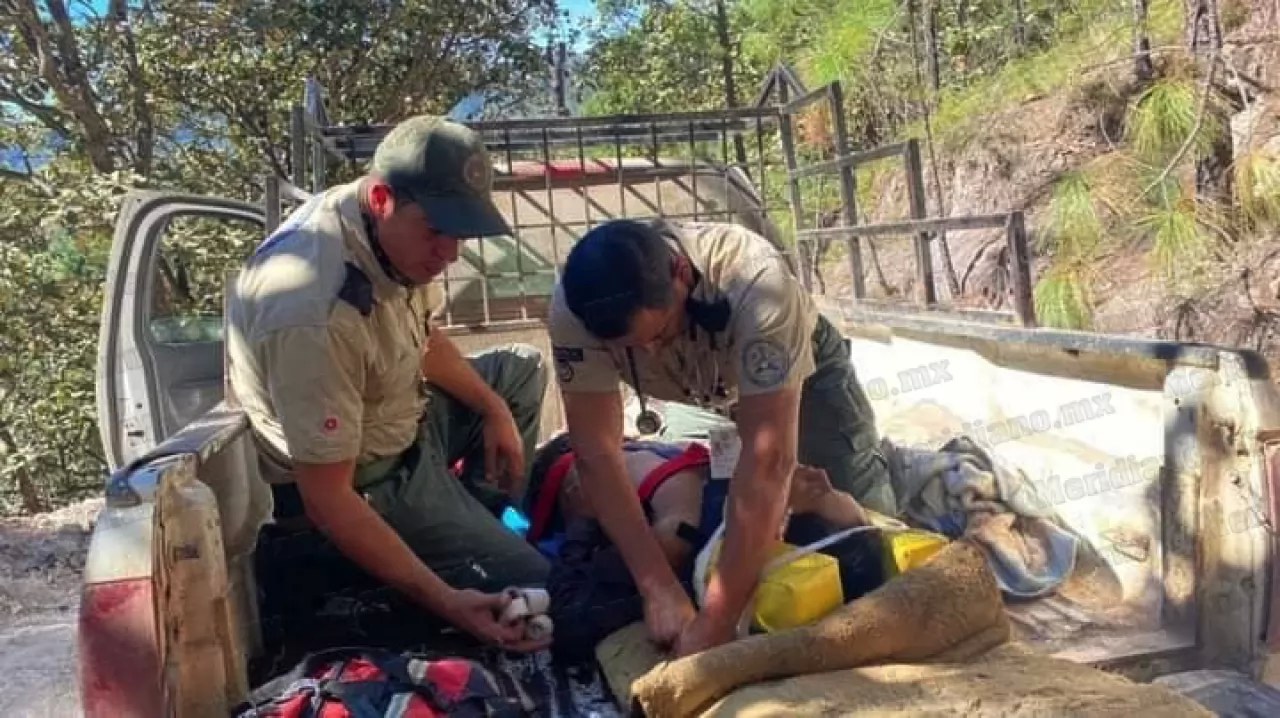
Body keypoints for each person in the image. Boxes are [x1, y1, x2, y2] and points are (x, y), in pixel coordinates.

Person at [226, 115, 551, 652]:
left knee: (519, 367)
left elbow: (419, 338)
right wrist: (450, 602)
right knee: (539, 586)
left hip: (407, 421)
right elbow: (328, 497)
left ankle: (473, 525)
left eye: (460, 234)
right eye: (436, 232)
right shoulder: (312, 311)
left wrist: (494, 409)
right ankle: (424, 568)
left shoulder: (378, 229)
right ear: (381, 199)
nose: (449, 255)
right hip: (366, 484)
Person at [546, 217, 893, 657]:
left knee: (868, 550)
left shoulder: (756, 282)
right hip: (698, 394)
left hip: (797, 372)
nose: (649, 352)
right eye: (628, 350)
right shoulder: (571, 309)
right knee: (732, 520)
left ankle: (870, 469)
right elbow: (596, 452)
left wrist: (716, 620)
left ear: (682, 276)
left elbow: (767, 459)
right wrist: (658, 588)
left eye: (658, 334)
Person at [523, 432, 886, 664]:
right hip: (643, 460)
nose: (818, 475)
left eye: (819, 492)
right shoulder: (699, 519)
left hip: (581, 459)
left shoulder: (685, 529)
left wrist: (586, 519)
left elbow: (570, 612)